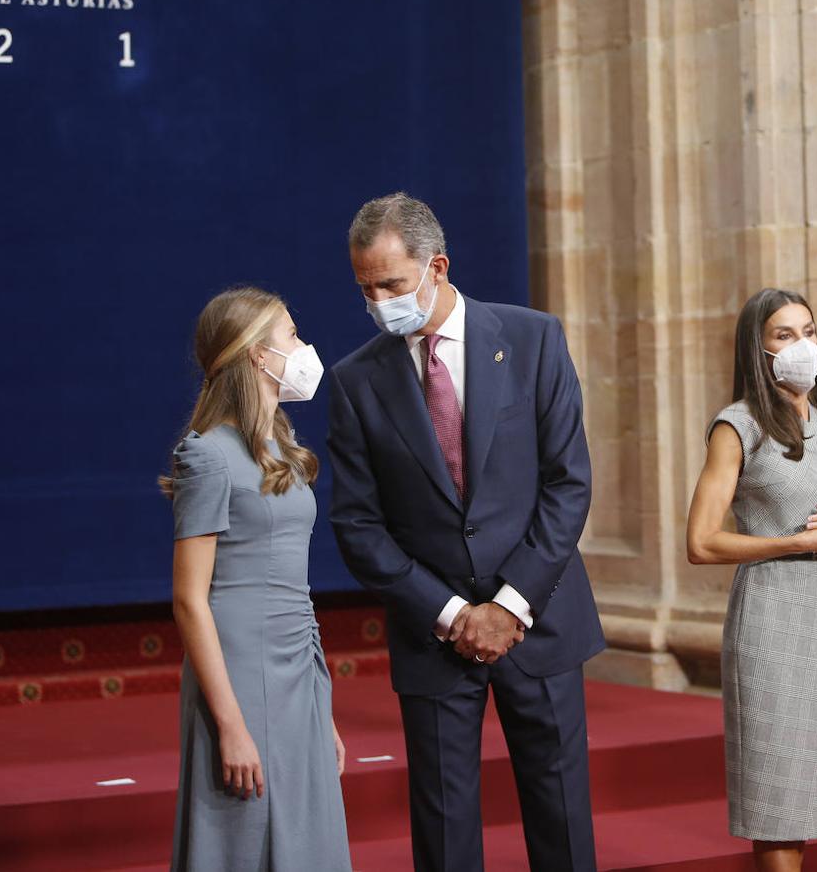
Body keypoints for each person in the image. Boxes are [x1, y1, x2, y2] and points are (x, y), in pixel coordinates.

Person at [328, 193, 604, 872]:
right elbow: (358, 526)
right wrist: (454, 614)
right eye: (366, 288)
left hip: (537, 621)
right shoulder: (355, 381)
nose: (379, 301)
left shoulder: (534, 339)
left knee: (562, 819)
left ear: (438, 266)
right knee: (445, 831)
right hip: (435, 635)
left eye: (392, 283)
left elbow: (567, 484)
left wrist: (510, 606)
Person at [163, 287, 350, 871]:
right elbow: (190, 600)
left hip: (299, 664)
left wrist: (324, 714)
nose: (304, 347)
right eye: (292, 335)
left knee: (307, 831)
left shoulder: (281, 449)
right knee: (245, 835)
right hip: (241, 672)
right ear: (255, 355)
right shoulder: (209, 455)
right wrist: (230, 724)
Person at [686, 288, 817, 872]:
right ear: (759, 349)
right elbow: (700, 541)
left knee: (808, 787)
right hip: (769, 614)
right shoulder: (737, 426)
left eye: (809, 332)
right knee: (775, 796)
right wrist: (791, 542)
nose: (802, 346)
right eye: (785, 336)